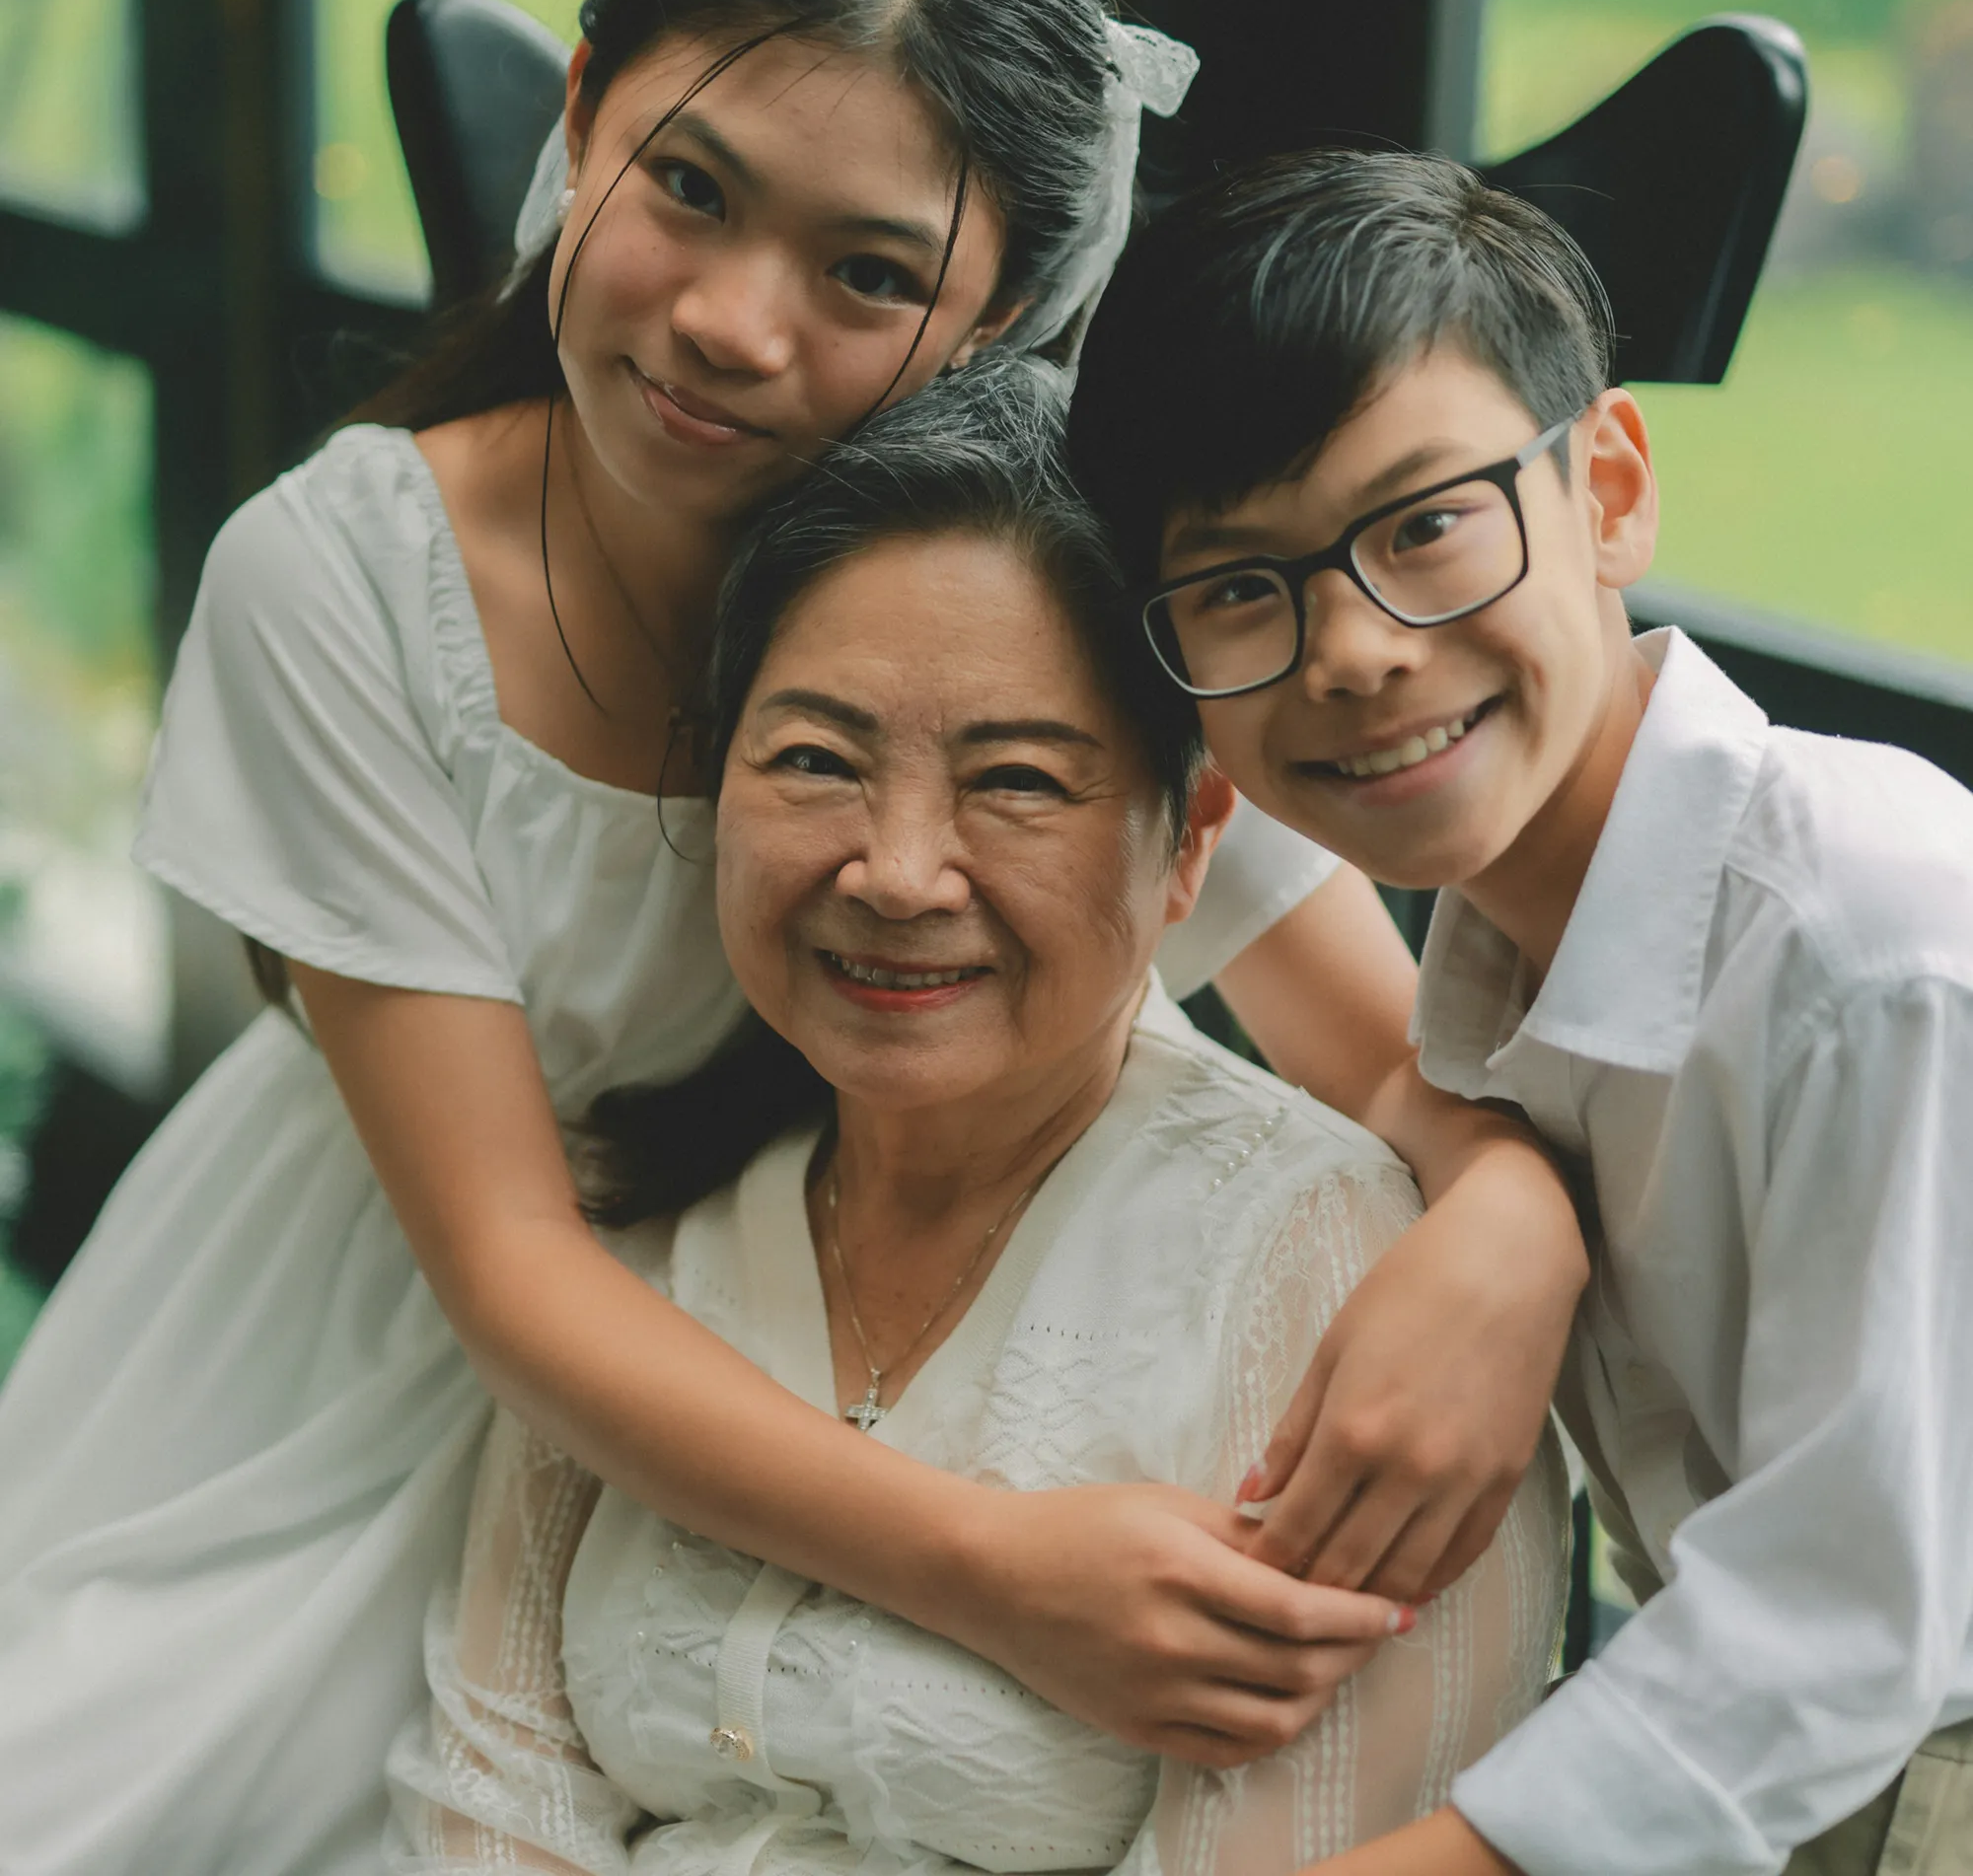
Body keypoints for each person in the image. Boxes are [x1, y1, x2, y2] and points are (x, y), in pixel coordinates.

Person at [0, 0, 1583, 1875]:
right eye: (690, 186)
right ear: (586, 114)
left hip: (804, 1351)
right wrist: (998, 1572)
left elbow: (1384, 1059)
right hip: (362, 1368)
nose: (736, 324)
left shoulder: (1039, 600)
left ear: (1008, 313)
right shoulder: (348, 575)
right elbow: (510, 1269)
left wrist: (1515, 1223)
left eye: (869, 273)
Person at [383, 352, 1571, 1876]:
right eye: (816, 760)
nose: (895, 872)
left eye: (1015, 781)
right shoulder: (641, 1225)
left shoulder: (1324, 1274)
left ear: (1190, 839)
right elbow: (492, 1793)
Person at [1066, 146, 1973, 1876]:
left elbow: (1836, 1636)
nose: (1352, 651)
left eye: (1424, 527)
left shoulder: (1868, 950)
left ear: (1609, 490)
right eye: (1242, 586)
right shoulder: (1510, 955)